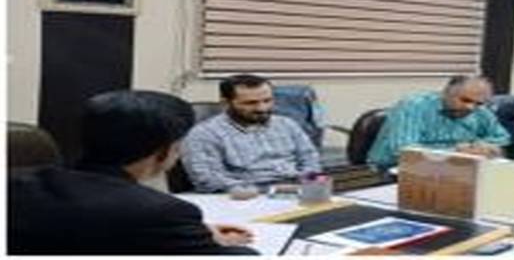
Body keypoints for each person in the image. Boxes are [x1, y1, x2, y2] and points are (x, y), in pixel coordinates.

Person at [9, 90, 257, 254]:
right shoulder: (162, 212)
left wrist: (193, 233)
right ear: (164, 151)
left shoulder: (15, 185)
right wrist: (199, 239)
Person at [181, 74, 321, 193]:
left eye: (267, 100)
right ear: (225, 103)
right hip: (246, 196)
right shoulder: (205, 134)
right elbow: (207, 180)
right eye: (250, 103)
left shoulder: (287, 124)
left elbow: (310, 158)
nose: (262, 108)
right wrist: (269, 190)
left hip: (297, 190)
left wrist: (308, 181)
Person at [367, 75, 510, 169]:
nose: (471, 107)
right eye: (465, 100)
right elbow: (404, 151)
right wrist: (457, 152)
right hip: (394, 169)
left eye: (478, 103)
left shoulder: (480, 111)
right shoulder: (414, 106)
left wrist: (483, 146)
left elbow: (502, 137)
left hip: (454, 167)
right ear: (446, 93)